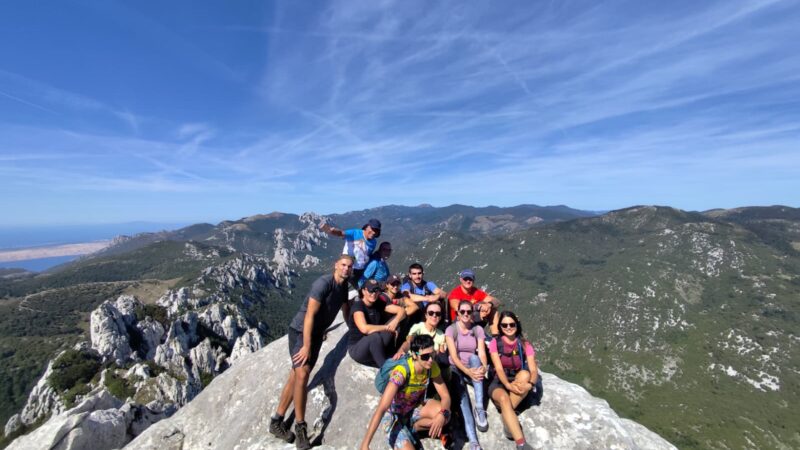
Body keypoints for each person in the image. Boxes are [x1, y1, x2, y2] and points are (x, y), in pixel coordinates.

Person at [269, 255, 354, 450]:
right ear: (336, 265)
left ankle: (277, 421)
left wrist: (353, 329)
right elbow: (309, 316)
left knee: (295, 375)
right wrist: (306, 345)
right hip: (301, 332)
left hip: (316, 335)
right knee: (302, 374)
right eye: (343, 265)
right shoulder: (323, 283)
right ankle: (300, 427)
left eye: (349, 266)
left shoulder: (343, 287)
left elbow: (345, 310)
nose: (346, 269)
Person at [360, 334, 452, 450]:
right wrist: (365, 444)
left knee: (446, 415)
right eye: (425, 356)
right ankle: (404, 430)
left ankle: (415, 426)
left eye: (433, 354)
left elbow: (445, 396)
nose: (430, 359)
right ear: (414, 355)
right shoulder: (402, 372)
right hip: (394, 416)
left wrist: (442, 415)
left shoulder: (431, 367)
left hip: (413, 408)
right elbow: (382, 407)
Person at [487, 311, 538, 450]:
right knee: (504, 399)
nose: (508, 327)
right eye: (504, 325)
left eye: (511, 324)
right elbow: (498, 368)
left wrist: (530, 385)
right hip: (499, 381)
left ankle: (506, 417)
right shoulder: (494, 343)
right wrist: (508, 386)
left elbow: (533, 370)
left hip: (516, 378)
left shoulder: (525, 344)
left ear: (517, 324)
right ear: (500, 327)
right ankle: (521, 443)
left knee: (525, 375)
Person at [445, 300, 489, 449]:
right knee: (463, 401)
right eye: (462, 311)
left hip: (472, 367)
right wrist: (468, 372)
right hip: (457, 369)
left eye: (468, 312)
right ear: (457, 313)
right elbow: (454, 357)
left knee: (475, 358)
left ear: (472, 313)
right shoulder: (451, 330)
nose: (465, 314)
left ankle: (479, 408)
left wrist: (483, 367)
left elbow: (481, 352)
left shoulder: (477, 330)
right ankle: (473, 441)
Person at [348, 279, 406, 368]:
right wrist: (387, 327)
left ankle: (392, 355)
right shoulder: (358, 306)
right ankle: (385, 369)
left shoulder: (378, 302)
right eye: (371, 290)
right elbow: (365, 329)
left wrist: (395, 322)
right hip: (358, 348)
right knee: (374, 337)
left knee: (397, 321)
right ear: (363, 291)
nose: (374, 293)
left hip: (376, 343)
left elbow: (401, 311)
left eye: (376, 290)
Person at [321, 219, 381, 286]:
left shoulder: (373, 242)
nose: (373, 232)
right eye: (372, 229)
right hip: (347, 267)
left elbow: (367, 255)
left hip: (359, 271)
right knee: (338, 285)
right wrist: (332, 231)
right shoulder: (355, 233)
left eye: (376, 231)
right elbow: (341, 233)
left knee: (356, 289)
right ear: (367, 227)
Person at [447, 269, 499, 334]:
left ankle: (495, 336)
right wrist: (478, 308)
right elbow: (458, 308)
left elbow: (497, 301)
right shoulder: (455, 293)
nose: (468, 281)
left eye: (470, 279)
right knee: (467, 313)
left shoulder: (476, 291)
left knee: (493, 309)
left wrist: (489, 305)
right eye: (465, 279)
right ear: (461, 280)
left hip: (475, 321)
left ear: (473, 280)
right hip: (458, 323)